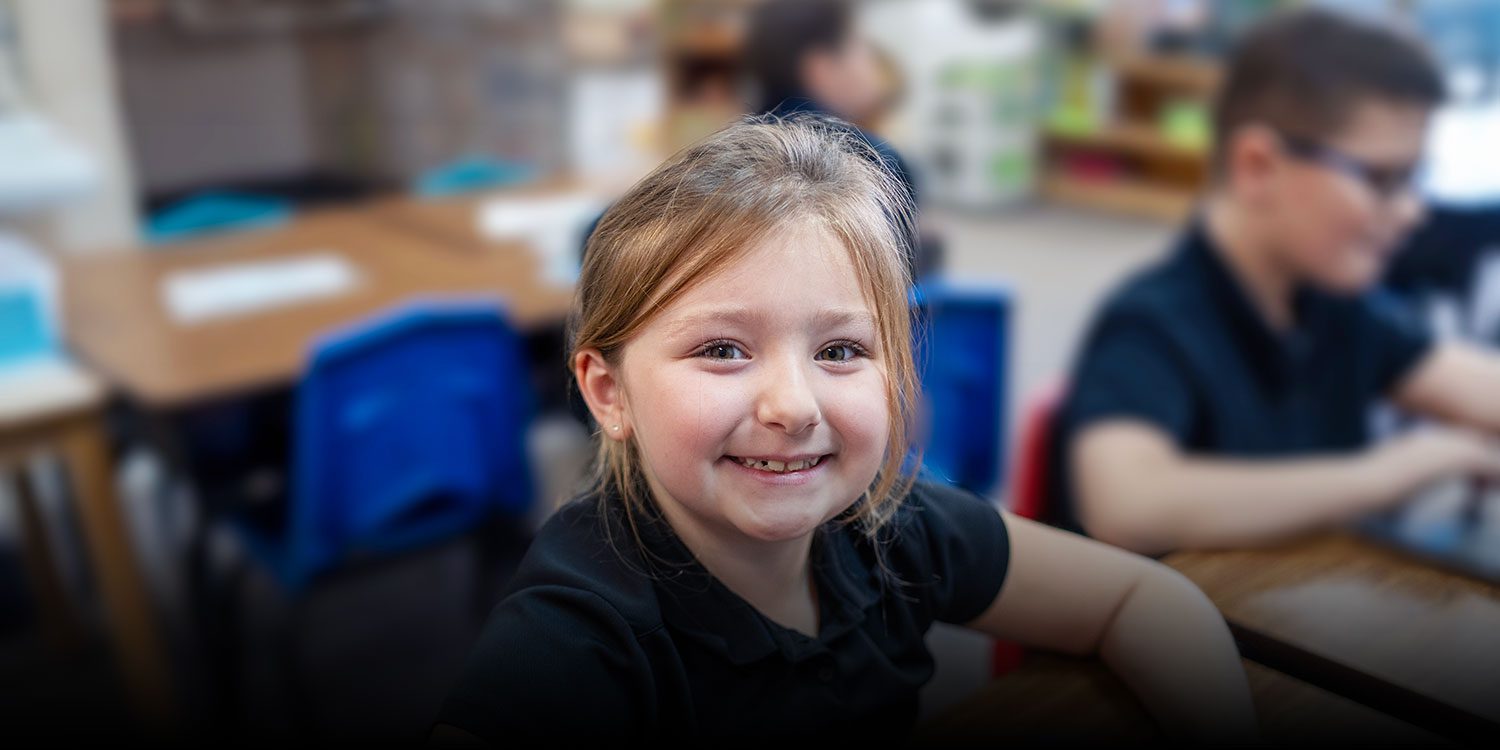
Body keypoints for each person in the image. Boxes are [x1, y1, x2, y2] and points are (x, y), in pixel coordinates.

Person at [429, 114, 1255, 743]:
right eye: (723, 349)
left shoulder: (891, 526)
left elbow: (1140, 599)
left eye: (840, 349)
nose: (794, 405)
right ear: (610, 395)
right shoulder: (577, 642)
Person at [1048, 8, 1500, 556]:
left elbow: (1480, 389)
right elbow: (1127, 504)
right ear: (1258, 166)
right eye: (1383, 179)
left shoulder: (1336, 306)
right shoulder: (1151, 321)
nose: (1411, 211)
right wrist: (1386, 473)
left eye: (1414, 179)